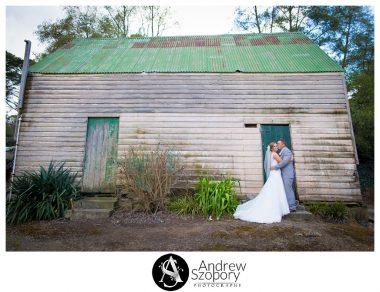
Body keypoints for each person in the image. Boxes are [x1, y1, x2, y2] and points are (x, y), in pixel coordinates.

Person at [233, 142, 290, 223]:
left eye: (276, 146)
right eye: (274, 146)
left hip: (274, 173)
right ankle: (275, 210)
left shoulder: (271, 154)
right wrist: (289, 159)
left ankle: (275, 208)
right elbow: (282, 162)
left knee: (273, 190)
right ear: (272, 148)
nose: (276, 147)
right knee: (276, 190)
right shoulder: (275, 154)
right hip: (276, 174)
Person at [271, 139, 297, 212]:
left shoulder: (287, 151)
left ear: (283, 144)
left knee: (288, 190)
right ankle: (288, 205)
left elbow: (284, 162)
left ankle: (292, 206)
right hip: (284, 174)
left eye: (279, 144)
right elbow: (284, 161)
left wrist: (275, 167)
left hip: (288, 174)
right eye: (277, 144)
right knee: (286, 189)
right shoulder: (282, 151)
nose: (278, 145)